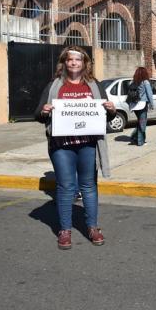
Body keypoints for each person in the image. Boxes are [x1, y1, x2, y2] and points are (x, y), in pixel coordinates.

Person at [34, 46, 116, 250]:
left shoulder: (94, 85)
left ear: (84, 63)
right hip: (61, 146)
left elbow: (106, 115)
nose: (74, 63)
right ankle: (65, 230)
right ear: (64, 62)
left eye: (78, 60)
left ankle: (93, 227)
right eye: (69, 60)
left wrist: (112, 110)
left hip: (88, 145)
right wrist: (44, 111)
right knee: (66, 187)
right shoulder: (54, 85)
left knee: (88, 186)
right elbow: (38, 114)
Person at [129, 67, 154, 146]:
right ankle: (140, 141)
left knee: (140, 122)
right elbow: (149, 94)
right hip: (142, 104)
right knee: (142, 123)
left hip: (134, 105)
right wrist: (152, 104)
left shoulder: (133, 82)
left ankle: (135, 137)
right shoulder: (145, 82)